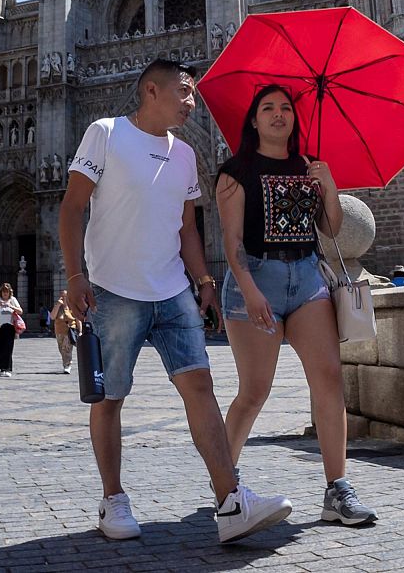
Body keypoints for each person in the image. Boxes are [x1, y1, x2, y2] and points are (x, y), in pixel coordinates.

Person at [60, 58, 292, 544]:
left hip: (172, 291)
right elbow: (72, 207)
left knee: (200, 386)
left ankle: (230, 501)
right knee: (110, 397)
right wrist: (76, 276)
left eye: (193, 94)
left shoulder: (184, 154)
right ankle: (113, 499)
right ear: (151, 90)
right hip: (114, 291)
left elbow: (187, 227)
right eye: (185, 92)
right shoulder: (105, 133)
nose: (192, 102)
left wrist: (203, 280)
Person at [213, 84, 378, 527]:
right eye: (267, 107)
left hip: (307, 277)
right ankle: (225, 485)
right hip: (256, 277)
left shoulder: (309, 166)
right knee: (255, 391)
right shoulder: (235, 172)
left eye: (285, 107)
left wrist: (329, 187)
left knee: (329, 379)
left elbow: (331, 228)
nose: (278, 114)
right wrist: (250, 291)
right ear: (254, 120)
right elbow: (231, 241)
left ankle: (337, 489)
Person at [0, 282, 23, 376]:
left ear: (9, 292)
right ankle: (1, 368)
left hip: (9, 326)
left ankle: (7, 368)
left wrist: (11, 306)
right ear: (1, 292)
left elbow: (20, 311)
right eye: (3, 291)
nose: (5, 293)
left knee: (8, 348)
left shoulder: (13, 300)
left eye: (7, 292)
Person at [51, 289, 80, 373]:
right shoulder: (58, 306)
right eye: (62, 296)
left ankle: (67, 365)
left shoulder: (72, 306)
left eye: (65, 296)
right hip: (59, 331)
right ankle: (66, 363)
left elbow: (78, 319)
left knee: (67, 348)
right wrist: (57, 305)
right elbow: (52, 317)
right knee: (61, 349)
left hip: (70, 330)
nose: (63, 298)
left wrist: (80, 331)